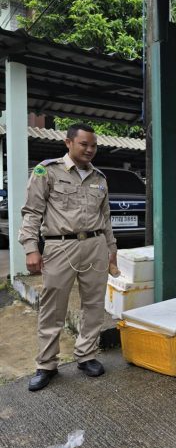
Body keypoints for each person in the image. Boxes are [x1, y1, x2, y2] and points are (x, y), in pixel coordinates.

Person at [19, 123, 118, 392]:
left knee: (94, 304)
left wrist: (112, 250)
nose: (89, 149)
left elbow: (106, 218)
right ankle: (46, 364)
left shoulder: (99, 178)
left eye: (93, 145)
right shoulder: (47, 171)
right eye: (84, 144)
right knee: (53, 307)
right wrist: (31, 248)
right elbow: (32, 212)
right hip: (60, 246)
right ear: (68, 143)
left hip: (96, 245)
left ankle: (86, 355)